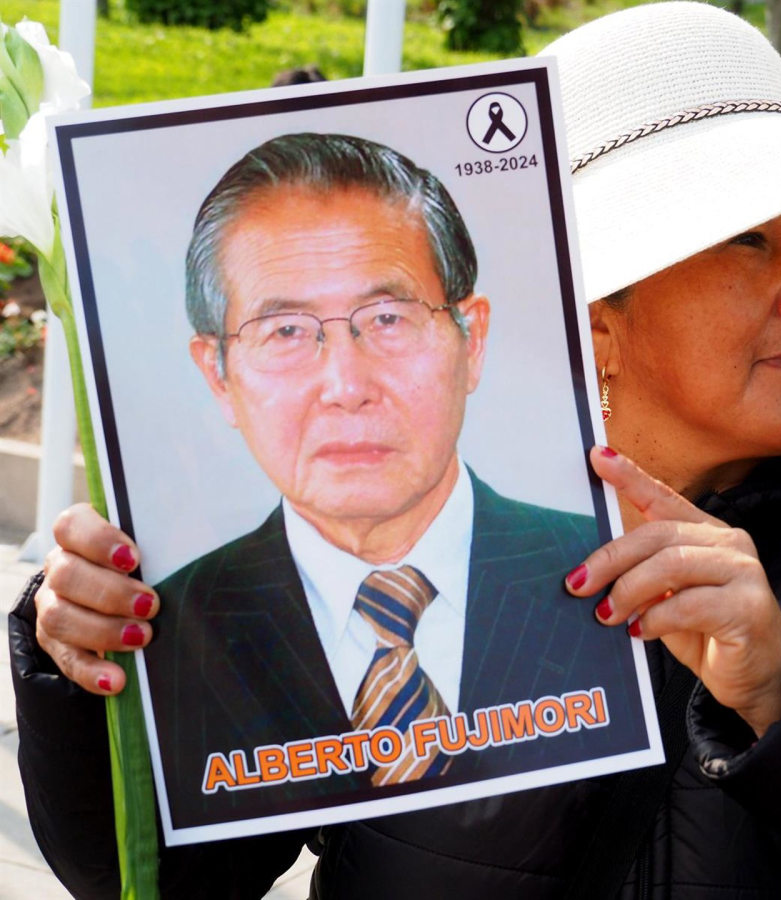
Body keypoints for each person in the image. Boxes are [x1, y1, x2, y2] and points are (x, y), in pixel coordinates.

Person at [11, 3, 781, 898]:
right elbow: (159, 877)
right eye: (750, 240)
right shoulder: (378, 576)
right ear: (596, 313)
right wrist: (84, 672)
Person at [132, 132, 646, 827]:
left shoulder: (614, 573)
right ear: (218, 376)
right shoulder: (172, 627)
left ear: (472, 341)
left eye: (387, 318)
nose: (346, 387)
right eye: (285, 332)